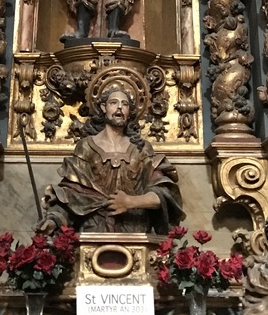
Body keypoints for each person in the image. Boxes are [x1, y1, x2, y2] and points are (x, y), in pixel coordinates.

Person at [37, 81, 183, 235]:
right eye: (113, 103)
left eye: (125, 104)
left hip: (135, 229)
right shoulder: (86, 147)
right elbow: (72, 195)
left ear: (129, 112)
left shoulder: (141, 149)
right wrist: (53, 221)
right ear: (103, 107)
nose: (119, 107)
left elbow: (164, 194)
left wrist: (130, 202)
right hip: (93, 231)